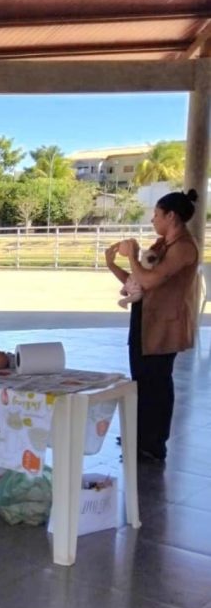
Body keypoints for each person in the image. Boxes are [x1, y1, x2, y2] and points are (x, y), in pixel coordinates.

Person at [105, 189, 200, 462]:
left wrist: (132, 255)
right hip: (145, 319)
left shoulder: (183, 247)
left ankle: (154, 443)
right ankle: (139, 435)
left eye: (157, 214)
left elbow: (149, 280)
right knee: (141, 381)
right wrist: (112, 265)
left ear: (171, 216)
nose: (153, 219)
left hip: (164, 326)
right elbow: (138, 282)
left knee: (157, 383)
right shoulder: (162, 245)